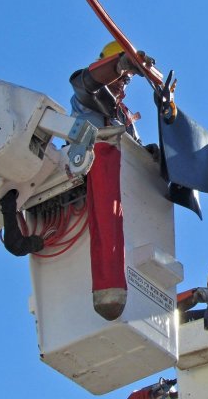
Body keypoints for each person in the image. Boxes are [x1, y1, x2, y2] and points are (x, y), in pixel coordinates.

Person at [69, 41, 157, 320]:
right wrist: (120, 63)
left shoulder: (124, 115)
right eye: (121, 77)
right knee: (105, 155)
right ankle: (108, 289)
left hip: (121, 186)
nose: (123, 84)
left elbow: (134, 153)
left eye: (127, 80)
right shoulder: (87, 92)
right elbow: (85, 82)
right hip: (90, 169)